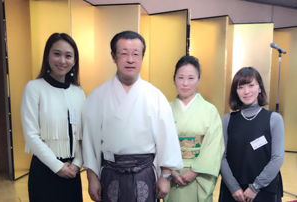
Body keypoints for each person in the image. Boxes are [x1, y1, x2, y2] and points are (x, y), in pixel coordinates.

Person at [82, 30, 183, 202]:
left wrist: (165, 177)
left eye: (136, 54)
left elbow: (168, 139)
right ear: (113, 56)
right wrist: (92, 178)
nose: (130, 59)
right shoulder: (97, 96)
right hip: (110, 172)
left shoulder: (156, 96)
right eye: (124, 54)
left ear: (142, 57)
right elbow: (89, 142)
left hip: (144, 174)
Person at [21, 33, 85, 202]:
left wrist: (77, 164)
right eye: (57, 54)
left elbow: (83, 135)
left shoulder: (78, 92)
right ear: (47, 56)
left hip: (72, 171)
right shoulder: (34, 88)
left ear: (74, 60)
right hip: (45, 171)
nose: (62, 61)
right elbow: (31, 135)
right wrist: (57, 167)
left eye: (68, 56)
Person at [219, 67, 284, 202]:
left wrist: (255, 187)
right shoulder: (228, 120)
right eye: (241, 87)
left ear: (260, 88)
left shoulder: (274, 118)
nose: (246, 91)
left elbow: (277, 158)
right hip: (233, 191)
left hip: (264, 188)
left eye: (251, 85)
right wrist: (233, 187)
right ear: (236, 92)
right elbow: (221, 157)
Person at [164, 55, 224, 202]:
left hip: (199, 174)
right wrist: (171, 171)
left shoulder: (210, 110)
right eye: (180, 78)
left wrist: (195, 171)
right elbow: (159, 143)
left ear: (198, 80)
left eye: (191, 78)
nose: (185, 83)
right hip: (172, 172)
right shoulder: (165, 109)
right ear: (174, 79)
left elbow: (214, 146)